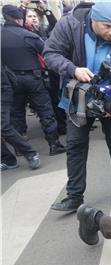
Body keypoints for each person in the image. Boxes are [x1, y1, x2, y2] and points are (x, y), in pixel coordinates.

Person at [44, 0, 111, 211]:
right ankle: (74, 196)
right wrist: (72, 69)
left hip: (110, 98)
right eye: (108, 27)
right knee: (75, 146)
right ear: (94, 20)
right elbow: (50, 53)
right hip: (77, 97)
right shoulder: (69, 25)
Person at [1, 5, 66, 156]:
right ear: (19, 19)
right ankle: (54, 144)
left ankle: (20, 148)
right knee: (45, 111)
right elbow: (47, 52)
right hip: (34, 78)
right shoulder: (29, 35)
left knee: (16, 113)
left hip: (11, 81)